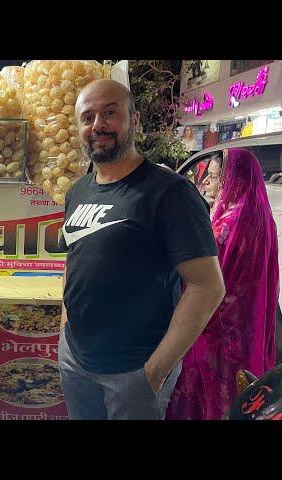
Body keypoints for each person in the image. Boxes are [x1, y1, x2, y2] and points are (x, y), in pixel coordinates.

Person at [57, 79, 226, 420]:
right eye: (87, 117)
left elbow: (207, 286)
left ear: (134, 120)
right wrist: (64, 333)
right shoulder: (78, 191)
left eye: (110, 113)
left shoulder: (169, 192)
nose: (98, 125)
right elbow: (72, 263)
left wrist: (155, 371)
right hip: (76, 361)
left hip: (133, 371)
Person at [167, 149, 279, 420]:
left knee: (209, 395)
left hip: (218, 330)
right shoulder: (261, 216)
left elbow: (199, 277)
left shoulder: (227, 223)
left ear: (233, 180)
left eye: (215, 177)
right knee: (239, 389)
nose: (207, 183)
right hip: (247, 326)